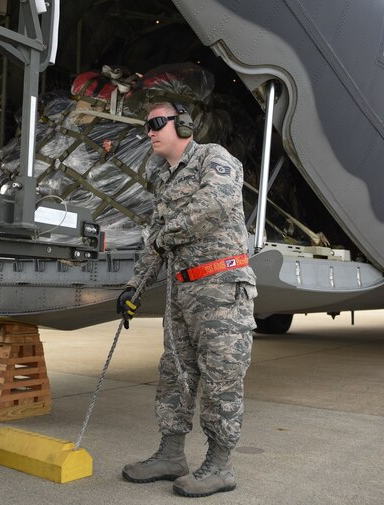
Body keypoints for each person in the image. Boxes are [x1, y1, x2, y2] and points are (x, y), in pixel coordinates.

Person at [116, 101, 257, 497]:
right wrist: (133, 287)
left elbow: (217, 203)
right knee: (174, 374)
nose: (151, 131)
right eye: (147, 126)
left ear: (185, 125)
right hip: (182, 293)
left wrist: (166, 235)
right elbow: (153, 241)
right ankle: (171, 454)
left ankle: (220, 465)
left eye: (158, 123)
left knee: (220, 378)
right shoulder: (164, 180)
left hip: (221, 288)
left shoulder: (215, 158)